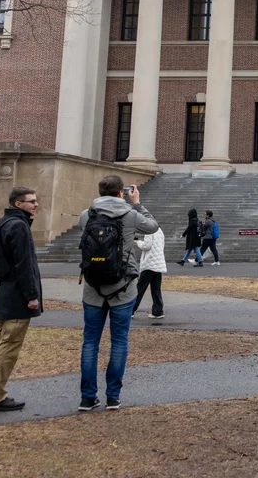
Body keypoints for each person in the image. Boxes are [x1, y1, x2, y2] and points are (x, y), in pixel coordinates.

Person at [77, 175, 158, 411]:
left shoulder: (87, 215)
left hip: (93, 287)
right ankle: (113, 396)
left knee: (90, 341)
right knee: (119, 341)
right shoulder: (130, 215)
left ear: (100, 192)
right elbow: (153, 226)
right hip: (122, 286)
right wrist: (137, 203)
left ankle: (87, 397)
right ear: (121, 192)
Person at [0, 187, 43, 412]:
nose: (35, 205)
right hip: (17, 294)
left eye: (35, 201)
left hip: (5, 291)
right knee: (8, 346)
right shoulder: (19, 226)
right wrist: (32, 296)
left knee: (0, 344)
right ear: (18, 204)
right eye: (31, 202)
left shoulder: (3, 222)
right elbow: (24, 264)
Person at [133, 226, 166, 318]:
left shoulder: (149, 232)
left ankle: (131, 309)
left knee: (140, 288)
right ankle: (158, 311)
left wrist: (138, 242)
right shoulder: (160, 231)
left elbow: (146, 246)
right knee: (156, 288)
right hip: (158, 263)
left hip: (149, 263)